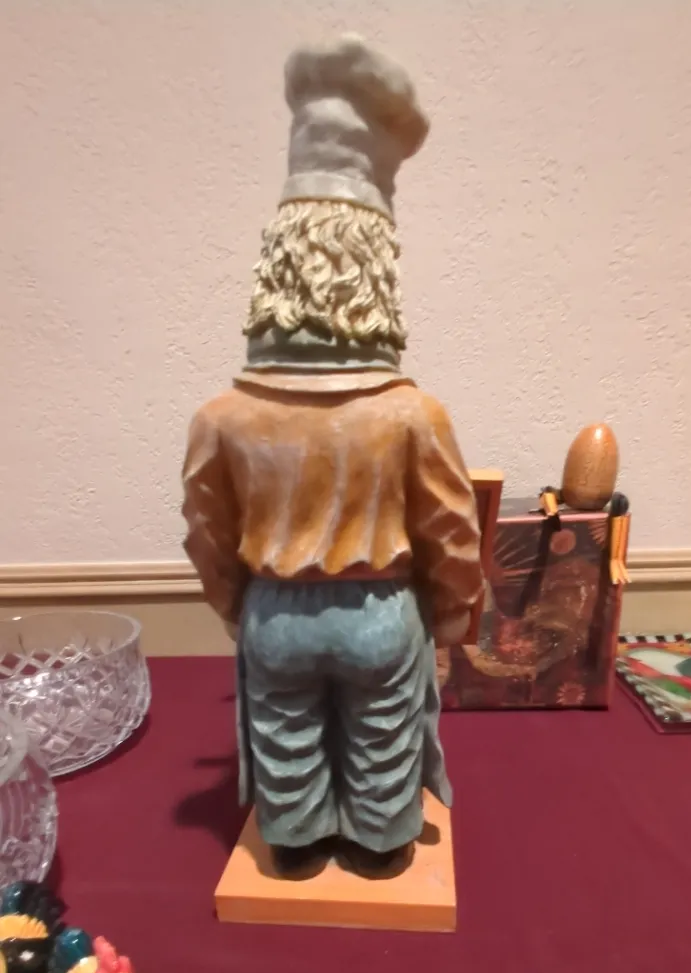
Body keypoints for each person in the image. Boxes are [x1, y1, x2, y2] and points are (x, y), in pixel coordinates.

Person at [182, 34, 483, 875]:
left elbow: (207, 533)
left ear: (273, 275)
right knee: (383, 741)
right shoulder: (413, 414)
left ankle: (296, 842)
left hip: (275, 609)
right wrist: (452, 618)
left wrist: (237, 608)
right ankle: (381, 848)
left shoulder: (222, 417)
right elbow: (451, 531)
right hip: (380, 610)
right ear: (377, 278)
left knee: (286, 740)